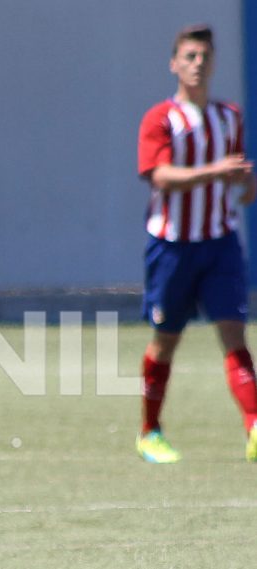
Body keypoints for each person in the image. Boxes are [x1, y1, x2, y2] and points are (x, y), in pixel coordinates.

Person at [135, 23, 257, 464]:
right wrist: (217, 172)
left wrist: (245, 183)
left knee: (233, 334)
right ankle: (149, 431)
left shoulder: (231, 117)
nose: (198, 64)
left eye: (204, 57)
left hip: (220, 242)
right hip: (172, 246)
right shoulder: (161, 118)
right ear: (174, 64)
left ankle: (254, 427)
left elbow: (242, 184)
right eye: (189, 57)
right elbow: (159, 176)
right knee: (165, 340)